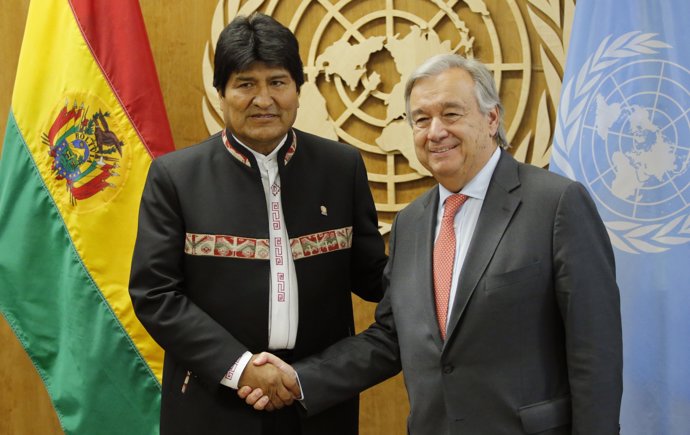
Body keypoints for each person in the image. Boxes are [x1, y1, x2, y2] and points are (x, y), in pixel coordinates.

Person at [241, 53, 623, 434]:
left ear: (491, 119)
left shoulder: (555, 204)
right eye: (421, 119)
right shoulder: (411, 222)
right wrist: (299, 378)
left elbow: (595, 352)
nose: (435, 131)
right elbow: (392, 337)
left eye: (451, 114)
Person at [128, 12, 387, 435]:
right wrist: (240, 367)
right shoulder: (175, 177)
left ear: (298, 90)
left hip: (319, 402)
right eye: (246, 84)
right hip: (213, 402)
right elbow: (155, 294)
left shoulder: (341, 168)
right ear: (221, 93)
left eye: (278, 82)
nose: (263, 99)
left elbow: (372, 275)